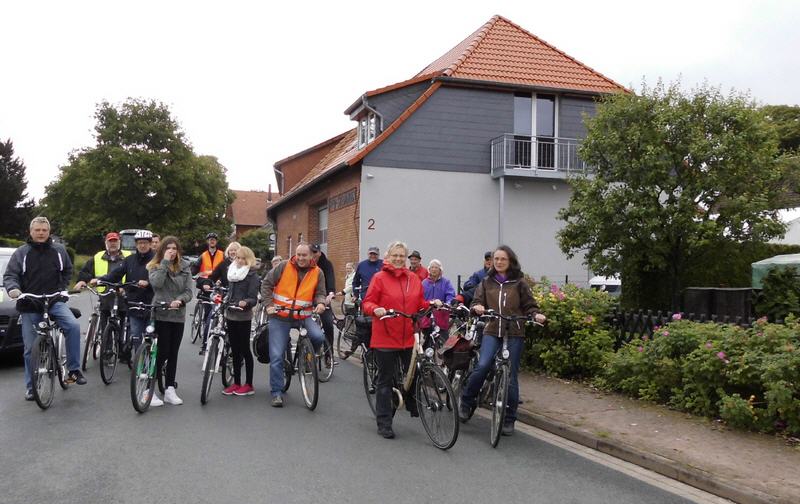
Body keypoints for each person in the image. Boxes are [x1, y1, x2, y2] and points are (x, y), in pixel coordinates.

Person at [458, 245, 546, 436]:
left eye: (502, 259)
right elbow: (475, 302)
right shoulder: (487, 282)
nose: (498, 262)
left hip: (514, 332)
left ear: (510, 261)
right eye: (496, 259)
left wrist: (536, 314)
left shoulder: (519, 282)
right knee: (482, 366)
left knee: (511, 377)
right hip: (492, 330)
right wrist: (478, 307)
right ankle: (467, 401)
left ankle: (509, 418)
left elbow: (530, 305)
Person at [3, 216, 86, 400]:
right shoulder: (21, 253)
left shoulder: (59, 250)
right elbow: (10, 275)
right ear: (30, 232)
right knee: (29, 347)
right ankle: (31, 387)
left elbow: (67, 270)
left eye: (44, 230)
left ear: (49, 232)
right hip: (30, 303)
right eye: (37, 230)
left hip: (54, 300)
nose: (41, 233)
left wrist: (63, 288)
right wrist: (14, 289)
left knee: (73, 326)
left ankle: (73, 370)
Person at [362, 241, 438, 439]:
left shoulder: (413, 279)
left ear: (406, 258)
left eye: (401, 256)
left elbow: (419, 303)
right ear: (388, 257)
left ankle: (411, 402)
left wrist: (432, 304)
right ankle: (384, 422)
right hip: (386, 335)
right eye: (395, 255)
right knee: (386, 380)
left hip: (408, 336)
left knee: (412, 374)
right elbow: (367, 302)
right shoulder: (379, 278)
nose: (398, 259)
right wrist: (375, 309)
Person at [261, 243, 327, 407]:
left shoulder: (317, 272)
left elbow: (320, 293)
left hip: (303, 315)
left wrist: (320, 304)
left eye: (304, 255)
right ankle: (277, 393)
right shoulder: (283, 266)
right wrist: (268, 305)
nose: (301, 258)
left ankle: (306, 358)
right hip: (279, 316)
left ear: (311, 256)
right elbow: (266, 284)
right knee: (276, 356)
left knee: (319, 336)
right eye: (298, 255)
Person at [147, 236, 193, 406]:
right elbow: (157, 285)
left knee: (173, 352)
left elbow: (189, 291)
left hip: (177, 314)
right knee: (161, 352)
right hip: (161, 313)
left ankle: (169, 389)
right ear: (162, 250)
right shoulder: (154, 266)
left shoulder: (185, 267)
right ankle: (149, 389)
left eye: (174, 248)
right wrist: (165, 263)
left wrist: (180, 300)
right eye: (168, 248)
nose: (172, 251)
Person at [96, 229, 155, 355]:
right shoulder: (129, 260)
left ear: (150, 244)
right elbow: (116, 273)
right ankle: (140, 363)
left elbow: (162, 278)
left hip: (151, 303)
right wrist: (101, 280)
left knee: (152, 336)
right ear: (136, 244)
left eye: (145, 243)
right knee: (136, 336)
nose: (142, 245)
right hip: (134, 303)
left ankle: (153, 362)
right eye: (139, 243)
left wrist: (148, 282)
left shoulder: (157, 260)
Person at [74, 232, 131, 359]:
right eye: (110, 241)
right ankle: (107, 348)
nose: (113, 243)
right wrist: (82, 280)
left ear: (119, 242)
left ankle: (123, 348)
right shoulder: (98, 257)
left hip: (123, 294)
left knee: (124, 321)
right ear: (106, 243)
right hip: (105, 294)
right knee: (105, 320)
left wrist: (127, 288)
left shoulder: (128, 256)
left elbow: (134, 273)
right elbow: (86, 271)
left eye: (115, 241)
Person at [222, 246, 260, 396]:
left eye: (243, 258)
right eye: (238, 257)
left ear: (248, 259)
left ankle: (249, 384)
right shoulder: (232, 272)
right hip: (230, 314)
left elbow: (253, 298)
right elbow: (230, 292)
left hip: (243, 316)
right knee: (234, 350)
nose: (239, 260)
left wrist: (246, 302)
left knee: (245, 350)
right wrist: (226, 299)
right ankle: (236, 383)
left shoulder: (252, 275)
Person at [194, 232, 225, 355]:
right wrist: (194, 274)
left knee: (213, 313)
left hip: (217, 285)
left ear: (216, 242)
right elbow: (195, 267)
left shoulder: (222, 255)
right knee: (207, 312)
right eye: (210, 240)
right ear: (207, 242)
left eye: (214, 240)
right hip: (205, 285)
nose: (212, 241)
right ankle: (206, 338)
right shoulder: (203, 255)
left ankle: (211, 334)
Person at [309, 243, 336, 353]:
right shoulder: (306, 263)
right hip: (307, 297)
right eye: (312, 252)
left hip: (323, 297)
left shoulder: (326, 264)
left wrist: (331, 293)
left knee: (328, 323)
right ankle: (306, 352)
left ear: (320, 252)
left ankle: (329, 354)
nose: (314, 254)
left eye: (316, 252)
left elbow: (330, 278)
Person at [421, 259, 456, 332]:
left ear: (440, 270)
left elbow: (450, 295)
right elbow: (420, 298)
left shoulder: (446, 282)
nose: (434, 269)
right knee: (426, 342)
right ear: (429, 269)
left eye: (436, 267)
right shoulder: (424, 283)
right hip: (426, 320)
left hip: (442, 319)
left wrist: (448, 304)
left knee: (442, 341)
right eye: (432, 267)